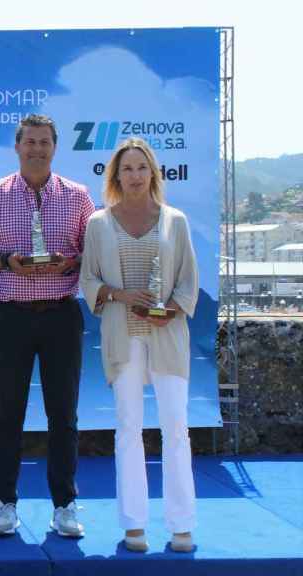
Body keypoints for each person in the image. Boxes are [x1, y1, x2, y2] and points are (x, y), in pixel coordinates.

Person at [0, 114, 94, 538]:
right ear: (17, 147)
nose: (37, 149)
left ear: (55, 147)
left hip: (60, 314)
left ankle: (65, 505)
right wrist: (6, 262)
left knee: (64, 416)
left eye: (45, 142)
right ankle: (4, 502)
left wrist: (71, 262)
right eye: (30, 142)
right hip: (11, 317)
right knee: (8, 415)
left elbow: (94, 250)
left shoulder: (78, 196)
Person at [79, 138, 198, 553]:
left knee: (176, 429)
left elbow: (188, 283)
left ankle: (181, 524)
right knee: (128, 428)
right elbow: (88, 280)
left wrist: (169, 311)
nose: (134, 175)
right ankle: (134, 524)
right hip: (121, 336)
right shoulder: (97, 223)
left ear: (153, 173)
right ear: (116, 176)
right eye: (126, 169)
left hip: (167, 337)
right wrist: (120, 295)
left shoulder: (176, 221)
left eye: (141, 168)